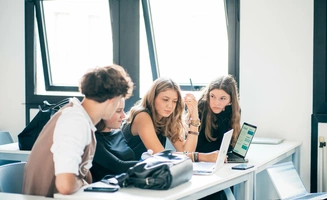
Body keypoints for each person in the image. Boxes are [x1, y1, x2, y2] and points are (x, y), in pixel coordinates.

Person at [22, 64, 134, 197]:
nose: (122, 114)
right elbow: (65, 185)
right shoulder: (75, 122)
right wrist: (82, 183)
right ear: (111, 100)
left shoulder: (81, 117)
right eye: (119, 103)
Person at [122, 77, 217, 162]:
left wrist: (194, 116)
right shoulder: (142, 116)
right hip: (125, 176)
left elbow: (185, 151)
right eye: (165, 100)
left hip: (145, 175)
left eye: (174, 101)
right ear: (153, 97)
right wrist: (201, 157)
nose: (170, 106)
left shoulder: (165, 119)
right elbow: (161, 156)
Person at [90, 98, 139, 182]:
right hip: (107, 190)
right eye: (118, 111)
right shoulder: (93, 140)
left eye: (123, 110)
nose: (124, 116)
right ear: (104, 111)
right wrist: (151, 163)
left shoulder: (118, 133)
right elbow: (119, 166)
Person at [196, 75, 241, 153]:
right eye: (212, 96)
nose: (216, 103)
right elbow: (198, 147)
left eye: (222, 98)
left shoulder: (233, 110)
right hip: (201, 161)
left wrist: (223, 115)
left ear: (231, 100)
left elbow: (230, 145)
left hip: (219, 159)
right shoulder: (201, 108)